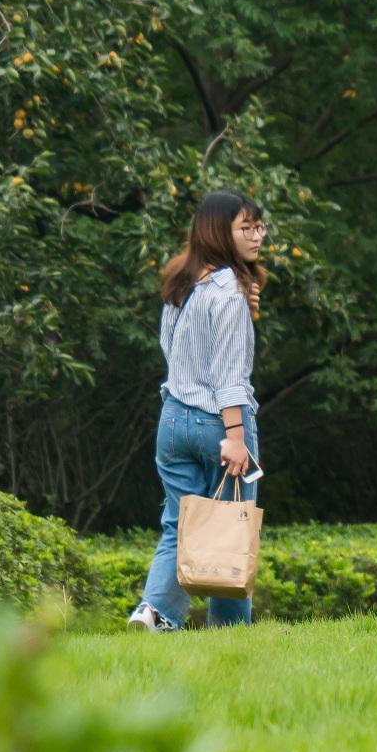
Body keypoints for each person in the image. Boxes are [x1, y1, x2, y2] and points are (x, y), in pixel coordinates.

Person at [131, 190, 269, 631]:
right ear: (219, 232)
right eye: (245, 227)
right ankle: (228, 635)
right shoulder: (228, 292)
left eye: (259, 225)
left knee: (177, 524)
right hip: (219, 424)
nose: (257, 235)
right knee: (231, 523)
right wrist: (236, 436)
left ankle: (154, 613)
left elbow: (173, 351)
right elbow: (229, 374)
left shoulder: (181, 284)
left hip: (172, 420)